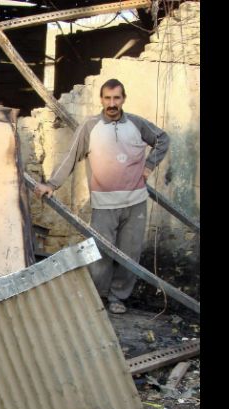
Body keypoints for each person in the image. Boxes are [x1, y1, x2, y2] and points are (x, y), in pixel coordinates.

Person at [33, 78, 170, 314]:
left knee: (130, 255)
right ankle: (99, 297)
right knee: (101, 253)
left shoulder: (136, 124)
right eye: (107, 98)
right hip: (104, 204)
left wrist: (149, 166)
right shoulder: (90, 126)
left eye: (116, 98)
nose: (112, 103)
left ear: (123, 99)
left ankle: (118, 297)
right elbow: (70, 157)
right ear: (101, 100)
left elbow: (163, 140)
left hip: (135, 202)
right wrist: (52, 184)